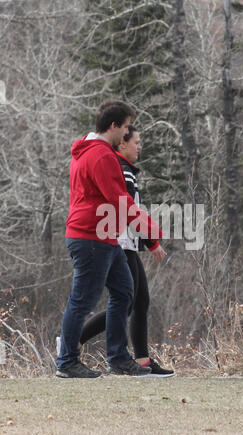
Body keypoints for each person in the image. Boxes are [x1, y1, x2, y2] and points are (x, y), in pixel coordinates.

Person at [56, 100, 164, 378]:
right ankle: (66, 362)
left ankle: (118, 357)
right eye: (126, 127)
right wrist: (151, 233)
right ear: (114, 126)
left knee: (125, 291)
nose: (126, 133)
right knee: (82, 300)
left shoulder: (86, 150)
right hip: (90, 236)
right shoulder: (101, 155)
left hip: (103, 236)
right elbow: (119, 199)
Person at [79, 126, 174, 377]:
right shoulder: (123, 170)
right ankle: (73, 340)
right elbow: (127, 209)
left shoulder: (125, 169)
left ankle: (142, 360)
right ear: (123, 144)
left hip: (127, 243)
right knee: (127, 301)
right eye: (137, 142)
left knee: (138, 301)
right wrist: (152, 242)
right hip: (120, 243)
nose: (139, 147)